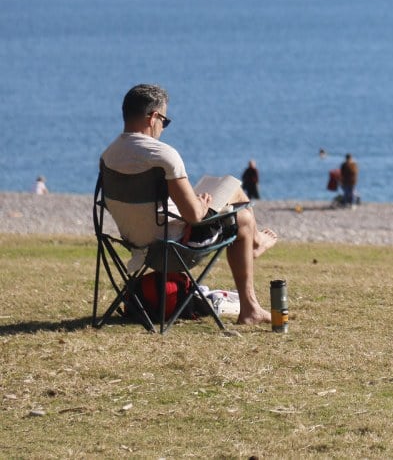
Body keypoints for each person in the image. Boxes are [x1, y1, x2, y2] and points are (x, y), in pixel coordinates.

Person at [100, 84, 277, 324]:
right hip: (171, 248)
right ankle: (250, 305)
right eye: (164, 120)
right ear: (153, 117)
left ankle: (253, 245)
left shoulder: (108, 156)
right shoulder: (163, 155)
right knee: (242, 215)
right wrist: (202, 205)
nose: (163, 127)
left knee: (232, 195)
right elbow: (193, 216)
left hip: (136, 244)